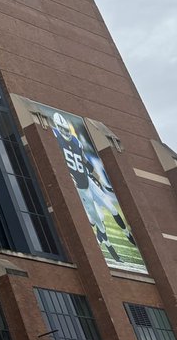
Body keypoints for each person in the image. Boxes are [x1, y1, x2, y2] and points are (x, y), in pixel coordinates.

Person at [51, 111, 133, 261]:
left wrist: (99, 180)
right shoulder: (55, 137)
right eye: (62, 129)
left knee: (112, 208)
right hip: (80, 188)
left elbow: (85, 162)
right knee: (98, 221)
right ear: (57, 127)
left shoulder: (76, 142)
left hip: (88, 180)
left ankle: (126, 233)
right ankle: (109, 247)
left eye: (66, 129)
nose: (65, 132)